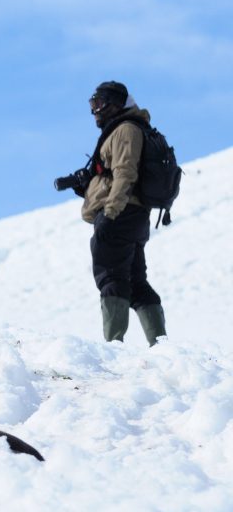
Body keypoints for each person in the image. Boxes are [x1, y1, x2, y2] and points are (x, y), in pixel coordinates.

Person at [80, 81, 167, 345]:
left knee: (111, 276)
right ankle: (160, 345)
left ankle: (114, 346)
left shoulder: (126, 130)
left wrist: (110, 212)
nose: (95, 111)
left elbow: (126, 172)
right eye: (92, 105)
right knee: (135, 281)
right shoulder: (125, 129)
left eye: (100, 103)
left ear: (116, 103)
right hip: (133, 214)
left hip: (121, 213)